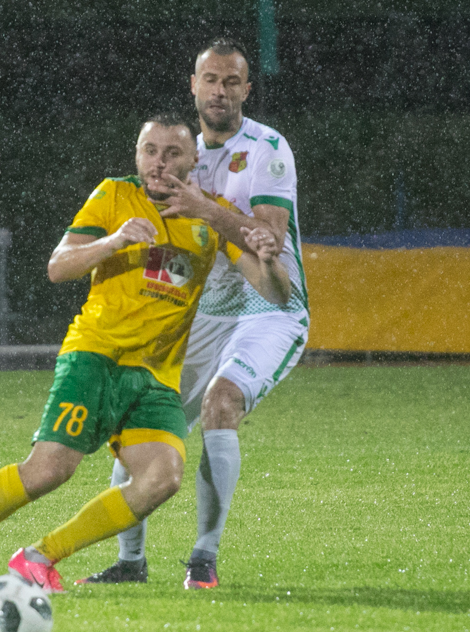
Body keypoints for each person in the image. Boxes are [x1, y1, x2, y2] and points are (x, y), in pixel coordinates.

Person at [0, 112, 290, 597]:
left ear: (193, 160)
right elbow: (58, 266)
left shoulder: (210, 216)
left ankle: (39, 558)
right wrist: (114, 241)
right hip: (96, 357)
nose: (159, 163)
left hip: (156, 377)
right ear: (137, 155)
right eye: (150, 151)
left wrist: (269, 260)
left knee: (162, 477)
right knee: (47, 472)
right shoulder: (114, 195)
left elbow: (276, 293)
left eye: (172, 153)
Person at [82, 38, 309, 590]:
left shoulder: (268, 149)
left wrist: (206, 208)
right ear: (193, 85)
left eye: (232, 82)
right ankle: (130, 564)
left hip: (267, 310)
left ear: (247, 90)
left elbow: (268, 242)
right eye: (211, 80)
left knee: (220, 403)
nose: (220, 91)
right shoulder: (178, 154)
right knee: (138, 427)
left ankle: (203, 559)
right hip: (201, 314)